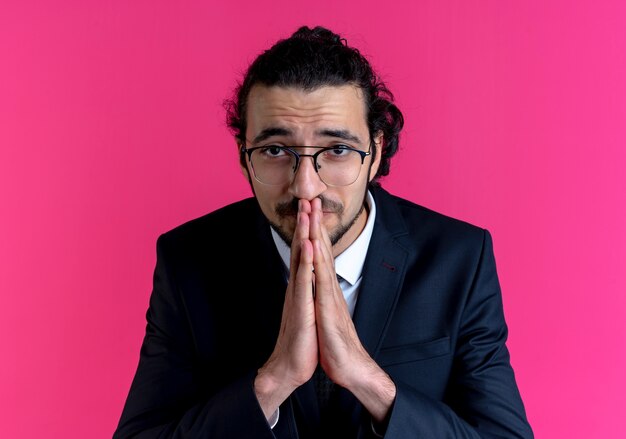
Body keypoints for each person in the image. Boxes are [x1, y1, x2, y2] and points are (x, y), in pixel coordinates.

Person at [113, 25, 533, 438]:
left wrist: (367, 379)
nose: (305, 186)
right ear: (244, 158)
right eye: (275, 150)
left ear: (376, 152)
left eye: (337, 150)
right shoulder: (189, 260)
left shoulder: (459, 257)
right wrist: (274, 381)